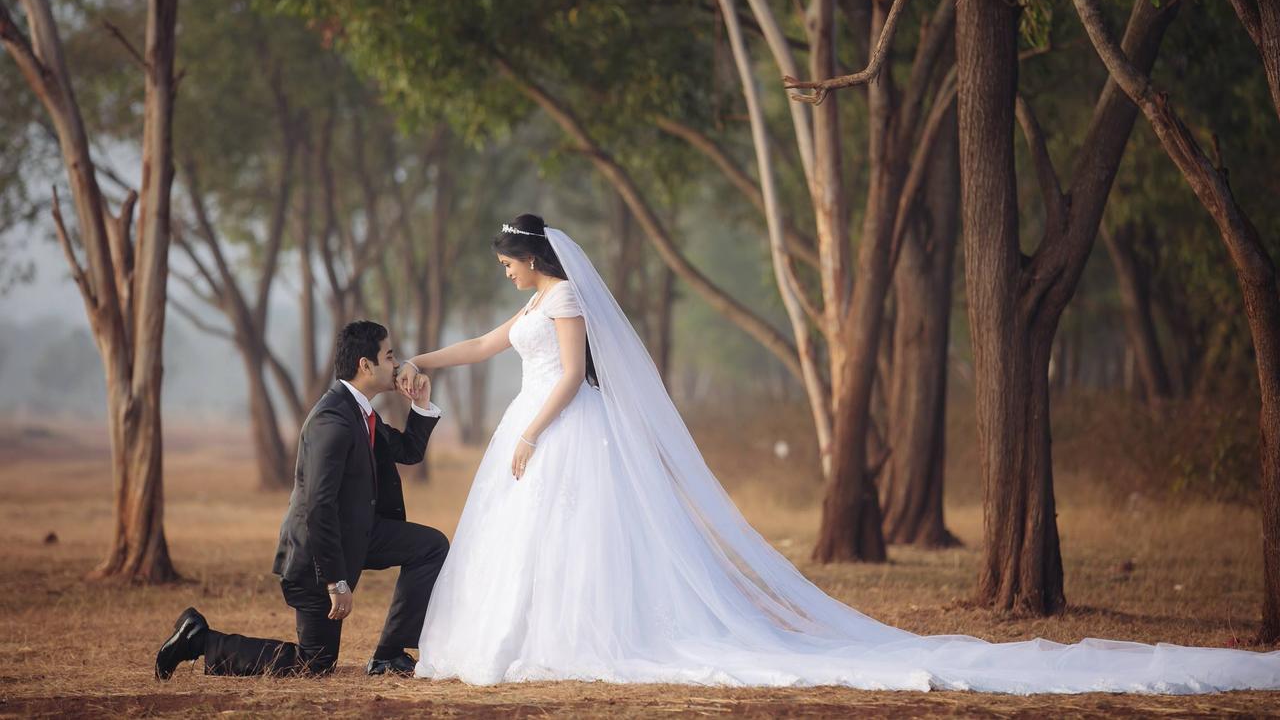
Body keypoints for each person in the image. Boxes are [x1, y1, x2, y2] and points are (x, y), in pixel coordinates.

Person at [400, 213, 1280, 693]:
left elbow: (571, 378)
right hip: (533, 429)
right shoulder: (525, 310)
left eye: (508, 262)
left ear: (528, 256)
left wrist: (528, 430)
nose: (504, 273)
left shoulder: (565, 306)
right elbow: (483, 347)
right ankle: (516, 637)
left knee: (573, 540)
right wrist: (420, 361)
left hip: (557, 430)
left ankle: (555, 637)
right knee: (530, 544)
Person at [154, 320, 449, 679]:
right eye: (390, 357)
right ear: (365, 365)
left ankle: (389, 653)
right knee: (314, 663)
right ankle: (200, 640)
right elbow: (318, 508)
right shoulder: (334, 421)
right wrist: (337, 582)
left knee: (430, 546)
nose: (398, 365)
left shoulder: (360, 413)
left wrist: (420, 404)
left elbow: (408, 450)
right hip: (314, 559)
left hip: (355, 535)